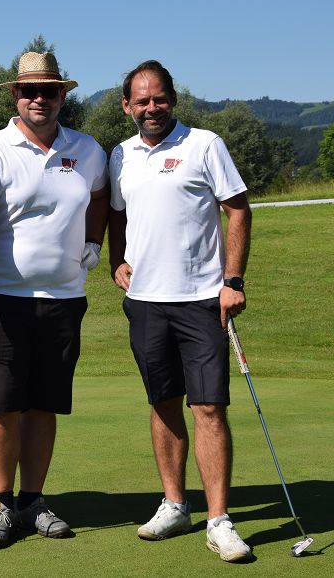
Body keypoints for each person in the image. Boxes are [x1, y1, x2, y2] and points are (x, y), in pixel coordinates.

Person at [0, 51, 109, 549]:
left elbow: (100, 196)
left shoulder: (86, 149)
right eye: (29, 91)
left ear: (63, 95)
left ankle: (33, 500)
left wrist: (94, 241)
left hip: (64, 298)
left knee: (45, 405)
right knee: (3, 404)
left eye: (48, 91)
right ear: (15, 96)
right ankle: (1, 505)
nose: (39, 99)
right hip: (3, 298)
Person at [107, 60, 253, 563]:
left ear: (173, 98)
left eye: (159, 98)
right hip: (146, 302)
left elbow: (237, 208)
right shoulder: (120, 155)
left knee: (208, 407)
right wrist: (116, 260)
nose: (151, 108)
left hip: (201, 300)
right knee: (163, 402)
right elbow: (117, 214)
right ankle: (175, 505)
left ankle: (219, 520)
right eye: (141, 101)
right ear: (127, 106)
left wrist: (233, 281)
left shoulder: (204, 144)